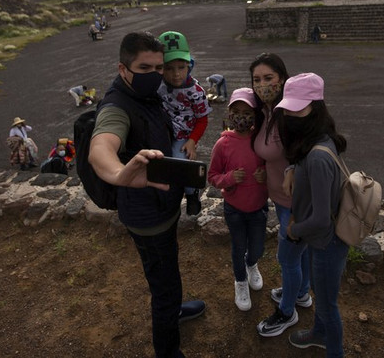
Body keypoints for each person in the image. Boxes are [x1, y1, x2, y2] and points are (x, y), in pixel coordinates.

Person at [88, 31, 205, 358]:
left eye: (159, 68)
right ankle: (167, 349)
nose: (155, 75)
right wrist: (119, 174)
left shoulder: (149, 94)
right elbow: (101, 147)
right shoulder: (117, 106)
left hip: (161, 206)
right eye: (145, 68)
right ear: (123, 69)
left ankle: (174, 310)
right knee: (164, 284)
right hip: (147, 215)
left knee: (167, 268)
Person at [275, 72, 348, 355]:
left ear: (315, 107)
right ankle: (318, 333)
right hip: (322, 240)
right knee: (321, 293)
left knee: (328, 305)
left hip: (327, 241)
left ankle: (334, 352)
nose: (292, 115)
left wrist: (293, 230)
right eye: (288, 108)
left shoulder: (317, 156)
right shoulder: (319, 139)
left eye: (298, 108)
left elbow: (319, 218)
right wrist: (292, 169)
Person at [250, 53, 312, 338]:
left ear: (283, 79)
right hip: (280, 197)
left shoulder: (290, 114)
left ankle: (287, 312)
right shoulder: (264, 112)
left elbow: (305, 160)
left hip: (296, 202)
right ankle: (300, 293)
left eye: (269, 78)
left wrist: (298, 214)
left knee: (287, 259)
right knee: (300, 254)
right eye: (257, 79)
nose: (262, 85)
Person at [207, 88, 268, 312]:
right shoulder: (222, 145)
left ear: (255, 115)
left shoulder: (261, 140)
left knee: (258, 247)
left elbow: (272, 165)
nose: (241, 117)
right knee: (238, 246)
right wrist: (230, 178)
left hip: (259, 207)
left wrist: (266, 174)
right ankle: (240, 281)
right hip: (234, 209)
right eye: (237, 111)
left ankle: (252, 264)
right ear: (230, 114)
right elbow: (212, 176)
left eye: (247, 112)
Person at [157, 30, 212, 216]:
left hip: (183, 136)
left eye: (181, 67)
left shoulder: (195, 92)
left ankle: (191, 193)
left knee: (179, 160)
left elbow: (203, 119)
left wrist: (192, 141)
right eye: (169, 68)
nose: (176, 74)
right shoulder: (159, 86)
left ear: (190, 65)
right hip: (163, 130)